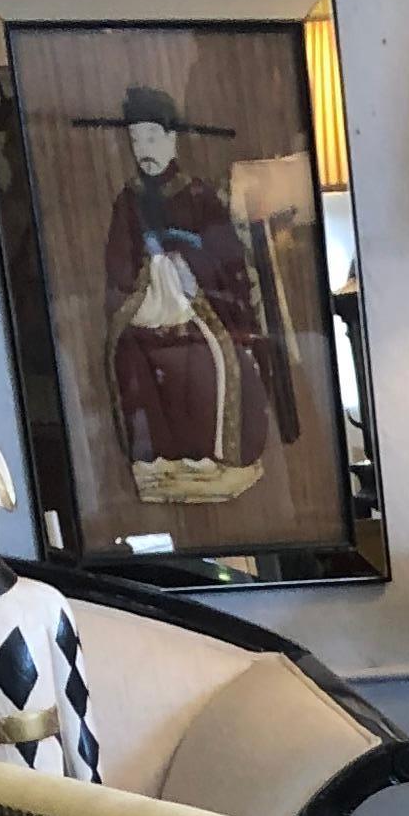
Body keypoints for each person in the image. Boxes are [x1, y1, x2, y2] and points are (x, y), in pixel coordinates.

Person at [93, 85, 290, 507]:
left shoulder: (201, 198)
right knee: (130, 355)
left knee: (209, 361)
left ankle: (214, 458)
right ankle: (158, 461)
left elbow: (228, 260)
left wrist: (185, 264)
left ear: (170, 139)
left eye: (150, 138)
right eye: (135, 140)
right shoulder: (126, 202)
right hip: (145, 313)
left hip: (202, 311)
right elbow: (117, 266)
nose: (142, 148)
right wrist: (149, 271)